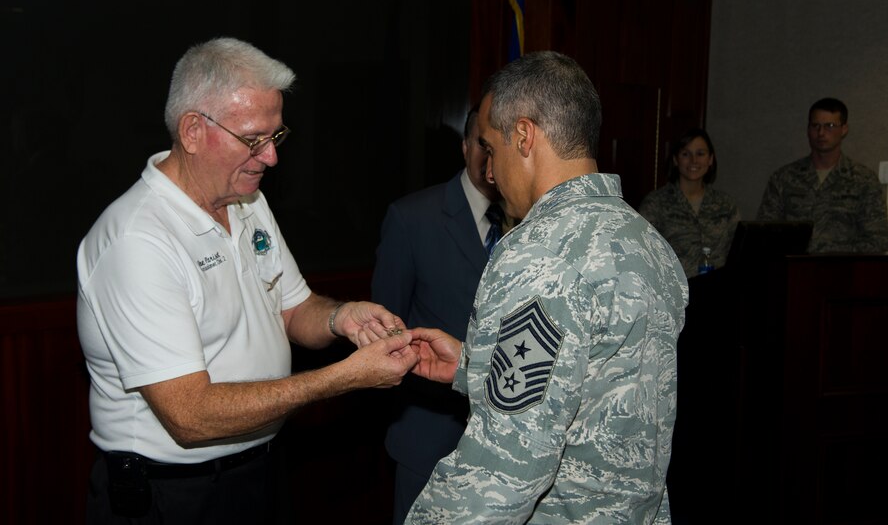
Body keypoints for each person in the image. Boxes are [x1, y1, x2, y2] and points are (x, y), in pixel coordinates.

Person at [76, 37, 418, 525]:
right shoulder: (137, 241)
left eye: (275, 137)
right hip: (169, 494)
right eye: (253, 138)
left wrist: (342, 317)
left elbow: (294, 311)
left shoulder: (247, 200)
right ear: (193, 130)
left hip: (257, 469)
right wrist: (342, 378)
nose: (271, 158)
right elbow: (190, 417)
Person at [403, 51, 689, 523]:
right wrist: (473, 366)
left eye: (491, 149)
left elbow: (504, 473)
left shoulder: (539, 253)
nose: (489, 174)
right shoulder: (647, 242)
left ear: (524, 135)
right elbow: (598, 382)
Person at [372, 106, 504, 524]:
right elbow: (385, 332)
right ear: (465, 146)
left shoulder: (529, 223)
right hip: (429, 434)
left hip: (508, 442)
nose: (488, 155)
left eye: (495, 146)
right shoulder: (413, 218)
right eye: (480, 143)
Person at [757, 97, 888, 253]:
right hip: (794, 272)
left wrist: (829, 254)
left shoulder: (863, 180)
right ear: (808, 129)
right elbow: (764, 235)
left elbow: (878, 239)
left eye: (830, 126)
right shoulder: (783, 178)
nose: (821, 133)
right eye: (815, 126)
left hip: (845, 272)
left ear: (844, 129)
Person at [639, 128, 740, 278]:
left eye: (700, 154)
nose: (694, 160)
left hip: (720, 292)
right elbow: (643, 253)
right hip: (675, 293)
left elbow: (737, 254)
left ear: (710, 159)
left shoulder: (726, 204)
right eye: (686, 154)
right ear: (675, 159)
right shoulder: (655, 204)